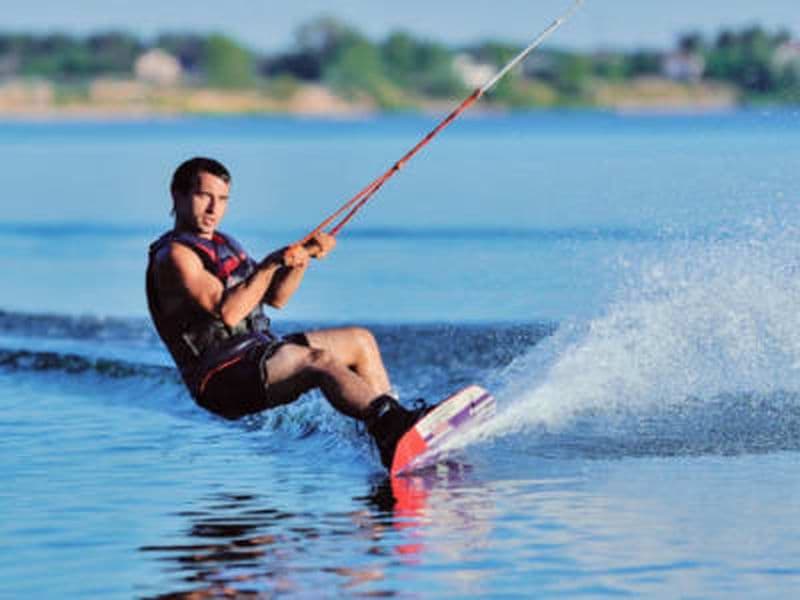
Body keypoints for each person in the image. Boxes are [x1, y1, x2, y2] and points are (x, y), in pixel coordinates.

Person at [146, 157, 430, 469]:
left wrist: (301, 259)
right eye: (204, 196)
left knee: (360, 341)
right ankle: (391, 424)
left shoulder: (224, 243)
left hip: (257, 355)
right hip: (221, 379)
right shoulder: (174, 256)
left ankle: (393, 435)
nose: (214, 209)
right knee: (319, 362)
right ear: (178, 195)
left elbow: (275, 298)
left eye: (223, 199)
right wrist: (271, 263)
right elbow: (227, 312)